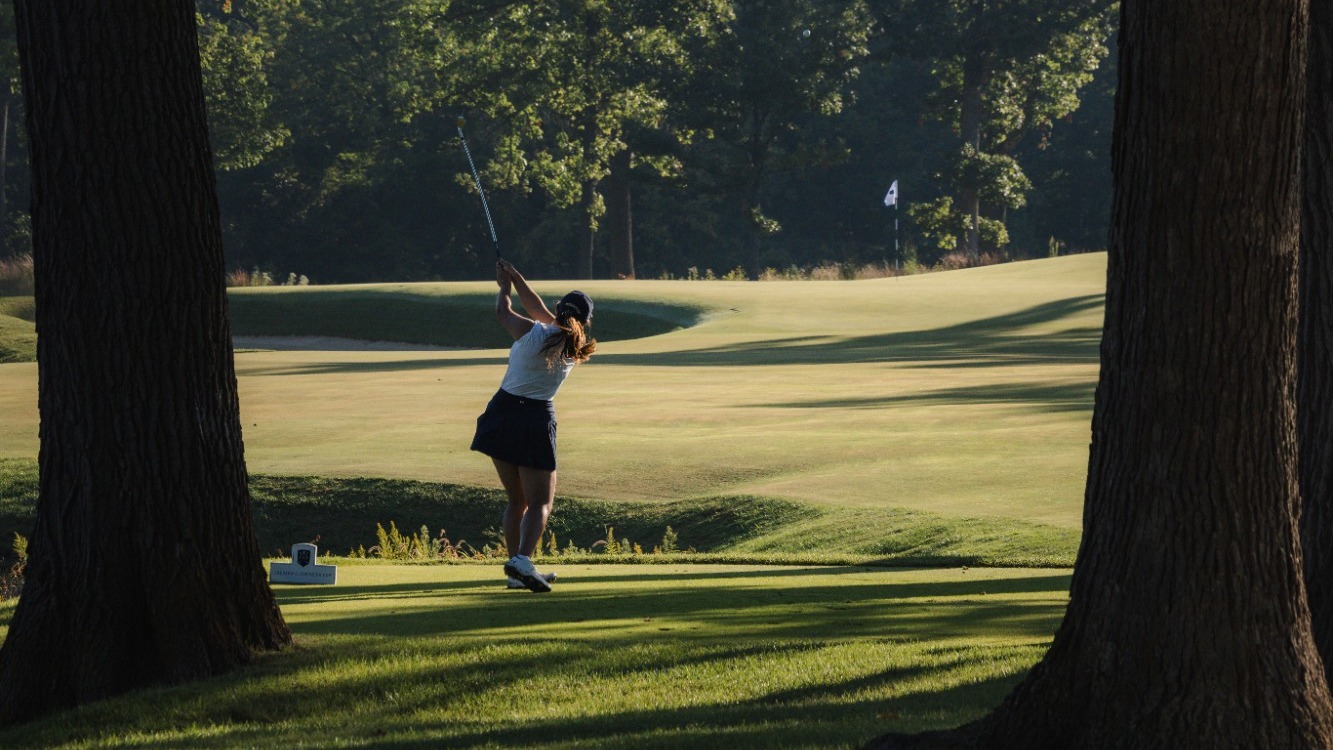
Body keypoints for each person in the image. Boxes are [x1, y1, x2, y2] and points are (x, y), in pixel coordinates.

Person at [470, 260, 596, 592]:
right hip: (535, 419)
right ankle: (522, 561)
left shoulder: (532, 332)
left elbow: (506, 312)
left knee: (517, 501)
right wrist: (514, 278)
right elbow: (541, 311)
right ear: (585, 321)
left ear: (557, 310)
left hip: (501, 413)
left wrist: (506, 285)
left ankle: (517, 569)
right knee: (540, 503)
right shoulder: (575, 348)